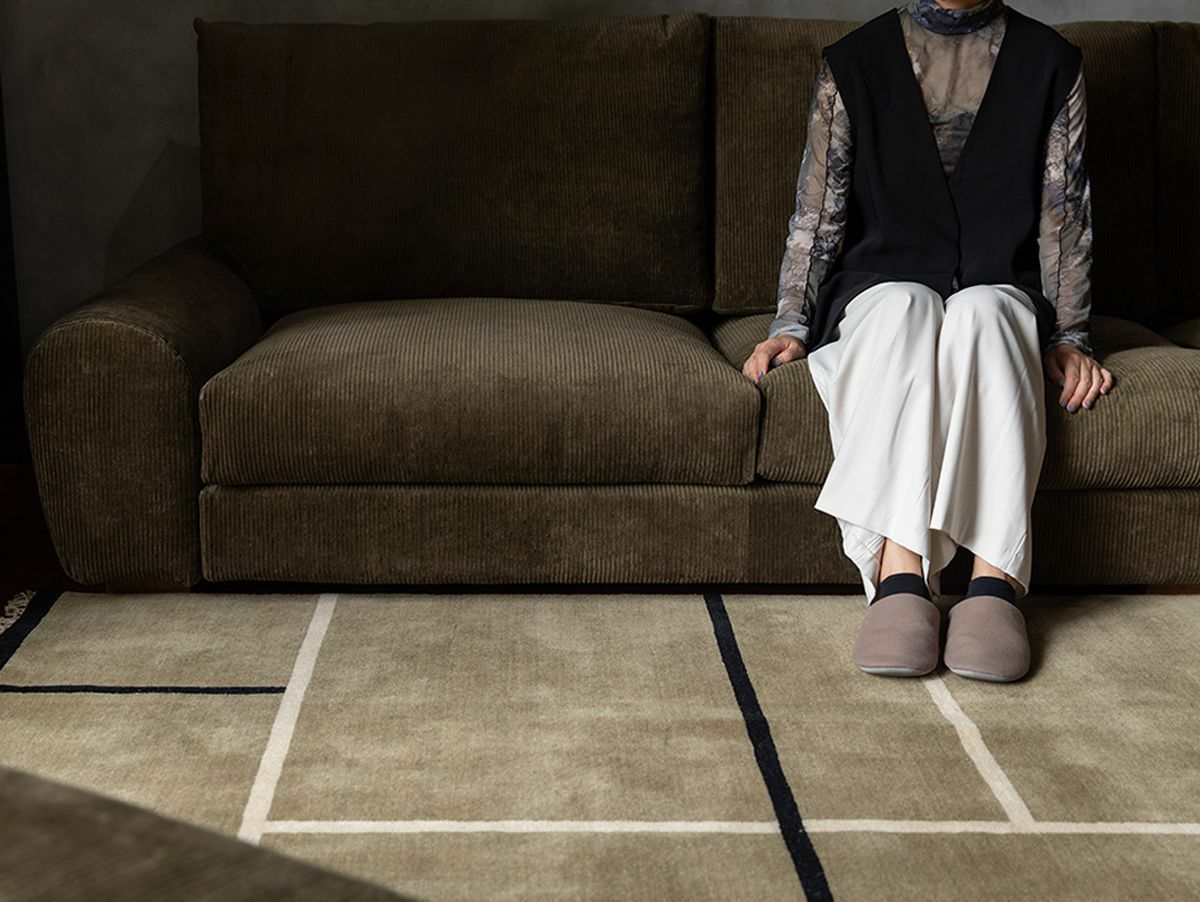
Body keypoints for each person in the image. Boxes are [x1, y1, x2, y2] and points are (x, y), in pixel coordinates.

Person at [740, 0, 1114, 682]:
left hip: (1001, 285)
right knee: (906, 308)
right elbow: (818, 211)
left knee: (985, 314)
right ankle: (901, 573)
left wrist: (1070, 333)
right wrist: (791, 323)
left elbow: (1065, 214)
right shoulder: (853, 61)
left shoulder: (1052, 62)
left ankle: (994, 580)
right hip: (880, 286)